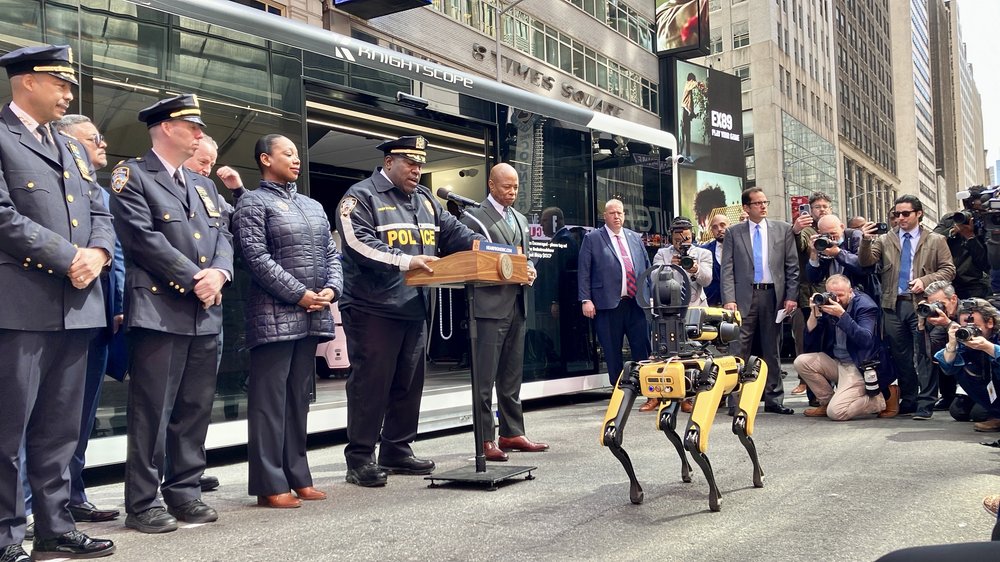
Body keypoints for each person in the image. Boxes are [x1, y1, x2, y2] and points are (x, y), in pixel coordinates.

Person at [0, 45, 116, 561]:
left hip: (76, 304)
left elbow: (101, 211)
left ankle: (54, 526)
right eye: (60, 83)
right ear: (27, 81)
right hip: (21, 304)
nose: (68, 93)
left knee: (60, 427)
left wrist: (97, 253)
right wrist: (71, 256)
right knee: (8, 428)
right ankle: (5, 534)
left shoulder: (70, 148)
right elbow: (3, 216)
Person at [110, 94, 232, 533]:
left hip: (204, 311)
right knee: (152, 412)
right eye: (192, 127)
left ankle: (185, 491)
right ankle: (143, 503)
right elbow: (142, 239)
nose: (200, 134)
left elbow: (224, 237)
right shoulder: (133, 176)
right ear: (165, 128)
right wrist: (196, 278)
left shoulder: (203, 184)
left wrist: (219, 273)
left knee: (194, 409)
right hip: (159, 308)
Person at [335, 135, 483, 487]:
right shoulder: (361, 196)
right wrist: (406, 260)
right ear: (389, 162)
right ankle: (359, 458)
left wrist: (495, 251)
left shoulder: (425, 200)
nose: (417, 170)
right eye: (410, 163)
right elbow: (357, 244)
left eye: (420, 164)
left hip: (414, 306)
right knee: (371, 385)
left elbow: (457, 234)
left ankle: (397, 449)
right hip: (373, 307)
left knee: (408, 383)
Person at [232, 134, 341, 507]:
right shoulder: (252, 202)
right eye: (288, 153)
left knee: (298, 400)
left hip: (312, 315)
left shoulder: (312, 206)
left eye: (297, 154)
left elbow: (331, 253)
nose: (296, 160)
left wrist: (331, 290)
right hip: (273, 316)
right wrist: (299, 294)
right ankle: (269, 483)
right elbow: (255, 258)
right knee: (269, 403)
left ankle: (299, 476)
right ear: (266, 159)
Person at [51, 114, 124, 523]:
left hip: (97, 317)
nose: (101, 144)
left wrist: (118, 306)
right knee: (46, 417)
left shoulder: (100, 195)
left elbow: (118, 257)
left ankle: (72, 495)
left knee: (79, 417)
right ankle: (31, 506)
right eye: (91, 139)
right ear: (64, 142)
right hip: (54, 312)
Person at [458, 163, 548, 462]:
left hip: (517, 305)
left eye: (516, 187)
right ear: (491, 186)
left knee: (511, 377)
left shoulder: (521, 219)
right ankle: (484, 439)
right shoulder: (473, 217)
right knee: (484, 381)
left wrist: (529, 269)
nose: (512, 192)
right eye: (507, 186)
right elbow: (473, 260)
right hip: (487, 307)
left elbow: (524, 256)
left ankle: (511, 432)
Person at [859, 194, 954, 419]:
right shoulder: (885, 239)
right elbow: (865, 262)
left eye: (905, 213)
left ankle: (926, 402)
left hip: (922, 305)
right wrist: (865, 240)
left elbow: (949, 270)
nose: (900, 218)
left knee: (924, 353)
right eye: (896, 214)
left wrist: (925, 281)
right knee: (901, 356)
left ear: (918, 214)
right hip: (893, 305)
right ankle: (909, 399)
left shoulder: (935, 240)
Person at [182, 134, 241, 494]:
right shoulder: (153, 181)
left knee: (199, 397)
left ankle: (189, 466)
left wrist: (237, 191)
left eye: (210, 163)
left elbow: (235, 229)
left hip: (209, 306)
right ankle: (166, 469)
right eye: (202, 162)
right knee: (169, 399)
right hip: (170, 302)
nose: (207, 169)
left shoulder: (209, 191)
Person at [720, 187, 798, 414]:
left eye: (765, 202)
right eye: (758, 203)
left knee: (771, 349)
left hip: (773, 295)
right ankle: (736, 402)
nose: (763, 206)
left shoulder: (782, 230)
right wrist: (729, 299)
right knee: (738, 350)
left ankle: (774, 400)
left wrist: (791, 297)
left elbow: (791, 267)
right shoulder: (734, 232)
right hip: (743, 297)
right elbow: (727, 269)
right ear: (746, 207)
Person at [578, 199, 652, 387]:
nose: (616, 216)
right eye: (612, 213)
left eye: (620, 213)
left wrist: (650, 295)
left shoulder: (634, 237)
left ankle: (646, 389)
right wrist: (586, 299)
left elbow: (646, 267)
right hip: (608, 304)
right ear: (605, 216)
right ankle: (620, 390)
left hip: (636, 303)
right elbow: (584, 270)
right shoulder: (593, 238)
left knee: (642, 348)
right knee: (612, 350)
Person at [644, 216, 713, 412]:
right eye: (677, 236)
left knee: (691, 352)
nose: (681, 240)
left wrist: (693, 268)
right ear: (671, 237)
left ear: (692, 235)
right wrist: (671, 267)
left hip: (693, 307)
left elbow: (707, 280)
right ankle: (655, 396)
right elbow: (653, 277)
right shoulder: (662, 254)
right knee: (661, 351)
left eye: (685, 236)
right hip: (667, 309)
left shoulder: (703, 253)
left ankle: (688, 397)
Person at [794, 275, 885, 420]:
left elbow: (866, 340)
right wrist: (813, 314)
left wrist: (842, 315)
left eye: (841, 295)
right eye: (832, 295)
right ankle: (828, 402)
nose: (837, 299)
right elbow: (811, 343)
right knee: (801, 361)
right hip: (837, 362)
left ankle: (876, 401)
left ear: (851, 291)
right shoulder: (828, 304)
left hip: (858, 366)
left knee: (837, 413)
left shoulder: (866, 306)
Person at [789, 192, 834, 397]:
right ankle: (807, 384)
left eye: (825, 206)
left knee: (830, 341)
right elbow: (800, 247)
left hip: (833, 293)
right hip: (807, 295)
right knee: (805, 340)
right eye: (817, 207)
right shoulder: (804, 230)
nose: (822, 209)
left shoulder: (835, 227)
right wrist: (797, 230)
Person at [804, 214, 869, 289]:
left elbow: (863, 266)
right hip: (835, 292)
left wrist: (838, 253)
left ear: (842, 227)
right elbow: (813, 279)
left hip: (859, 290)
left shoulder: (854, 236)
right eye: (826, 235)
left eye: (833, 233)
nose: (831, 238)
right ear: (819, 232)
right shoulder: (822, 243)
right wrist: (813, 254)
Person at [701, 213, 728, 307]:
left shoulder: (740, 248)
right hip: (710, 302)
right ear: (711, 231)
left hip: (734, 303)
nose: (719, 229)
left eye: (722, 225)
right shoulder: (704, 251)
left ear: (730, 226)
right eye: (715, 227)